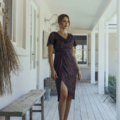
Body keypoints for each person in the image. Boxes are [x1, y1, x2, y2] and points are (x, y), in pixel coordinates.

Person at [46, 14, 81, 120]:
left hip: (71, 68)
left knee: (70, 95)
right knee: (64, 95)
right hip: (59, 66)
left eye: (68, 21)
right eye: (64, 21)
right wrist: (52, 70)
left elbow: (73, 55)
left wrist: (78, 70)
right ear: (59, 22)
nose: (66, 23)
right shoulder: (53, 35)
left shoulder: (71, 37)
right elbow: (50, 54)